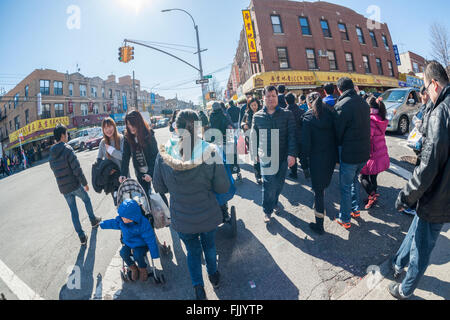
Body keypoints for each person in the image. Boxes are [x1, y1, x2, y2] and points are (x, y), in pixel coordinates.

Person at [153, 109, 230, 300]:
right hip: (208, 213)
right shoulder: (210, 151)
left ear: (175, 127)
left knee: (193, 252)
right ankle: (214, 275)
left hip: (182, 216)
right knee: (209, 246)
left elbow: (158, 186)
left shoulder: (163, 155)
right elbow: (222, 187)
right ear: (199, 127)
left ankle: (198, 288)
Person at [389, 61, 450, 300]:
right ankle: (397, 262)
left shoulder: (440, 113)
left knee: (422, 249)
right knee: (416, 230)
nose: (425, 93)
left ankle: (405, 289)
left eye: (425, 87)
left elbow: (427, 168)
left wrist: (405, 196)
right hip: (440, 194)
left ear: (434, 84)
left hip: (437, 196)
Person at [49, 124, 102, 245]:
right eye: (66, 134)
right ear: (62, 135)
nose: (67, 136)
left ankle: (82, 237)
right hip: (74, 185)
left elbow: (53, 169)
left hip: (64, 189)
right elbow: (77, 169)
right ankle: (93, 221)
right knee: (87, 200)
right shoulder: (67, 149)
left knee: (73, 212)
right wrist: (85, 183)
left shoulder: (51, 153)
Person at [251, 85, 297, 223]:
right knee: (268, 184)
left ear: (277, 97)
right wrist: (255, 154)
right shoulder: (257, 116)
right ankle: (267, 210)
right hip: (266, 156)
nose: (271, 98)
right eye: (268, 96)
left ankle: (275, 201)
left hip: (283, 156)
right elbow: (255, 136)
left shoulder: (287, 114)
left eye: (273, 96)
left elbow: (292, 135)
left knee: (279, 184)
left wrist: (292, 154)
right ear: (263, 98)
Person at [334, 77, 371, 229]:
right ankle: (355, 210)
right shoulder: (364, 103)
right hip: (363, 153)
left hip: (349, 153)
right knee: (354, 181)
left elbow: (338, 133)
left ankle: (345, 218)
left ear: (339, 90)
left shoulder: (341, 105)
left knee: (345, 186)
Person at [300, 92, 338, 234]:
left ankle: (319, 225)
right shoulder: (331, 114)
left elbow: (305, 144)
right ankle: (320, 215)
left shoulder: (308, 118)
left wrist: (303, 164)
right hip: (330, 157)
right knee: (322, 188)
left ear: (309, 103)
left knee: (318, 192)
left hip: (316, 160)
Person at [100, 199, 160, 282]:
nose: (123, 219)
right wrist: (103, 224)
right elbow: (113, 223)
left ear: (133, 216)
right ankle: (133, 268)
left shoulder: (143, 223)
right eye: (122, 217)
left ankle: (142, 269)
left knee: (137, 254)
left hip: (141, 244)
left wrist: (154, 254)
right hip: (128, 243)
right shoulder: (122, 221)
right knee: (123, 253)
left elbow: (150, 239)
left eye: (125, 218)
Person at [119, 110, 168, 206]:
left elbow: (155, 156)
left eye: (133, 124)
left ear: (139, 122)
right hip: (140, 172)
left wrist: (150, 173)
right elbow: (125, 157)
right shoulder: (127, 137)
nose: (131, 127)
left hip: (153, 171)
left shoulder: (148, 134)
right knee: (145, 197)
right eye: (128, 124)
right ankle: (153, 218)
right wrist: (123, 174)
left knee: (159, 194)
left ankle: (168, 217)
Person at [360, 96, 390, 209]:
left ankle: (372, 195)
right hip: (380, 153)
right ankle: (372, 197)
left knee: (363, 177)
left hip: (372, 154)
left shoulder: (370, 120)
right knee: (373, 178)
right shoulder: (380, 118)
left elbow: (367, 138)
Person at [97, 117, 124, 205]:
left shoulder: (121, 139)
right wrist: (107, 171)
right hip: (112, 180)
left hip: (124, 177)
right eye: (105, 128)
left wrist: (112, 150)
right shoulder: (102, 143)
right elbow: (99, 161)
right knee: (118, 204)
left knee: (128, 203)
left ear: (114, 126)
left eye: (110, 126)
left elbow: (124, 157)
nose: (108, 130)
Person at [241, 97, 262, 184]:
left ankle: (266, 174)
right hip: (251, 138)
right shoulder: (247, 114)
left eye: (255, 105)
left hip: (262, 137)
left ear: (258, 104)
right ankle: (258, 176)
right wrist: (244, 125)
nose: (254, 107)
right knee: (255, 157)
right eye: (252, 105)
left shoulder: (262, 112)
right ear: (249, 106)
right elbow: (242, 123)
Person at [286, 92, 306, 180]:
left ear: (286, 102)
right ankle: (306, 171)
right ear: (295, 100)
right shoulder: (301, 111)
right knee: (302, 155)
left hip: (290, 138)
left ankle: (294, 173)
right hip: (301, 137)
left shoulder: (284, 113)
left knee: (292, 155)